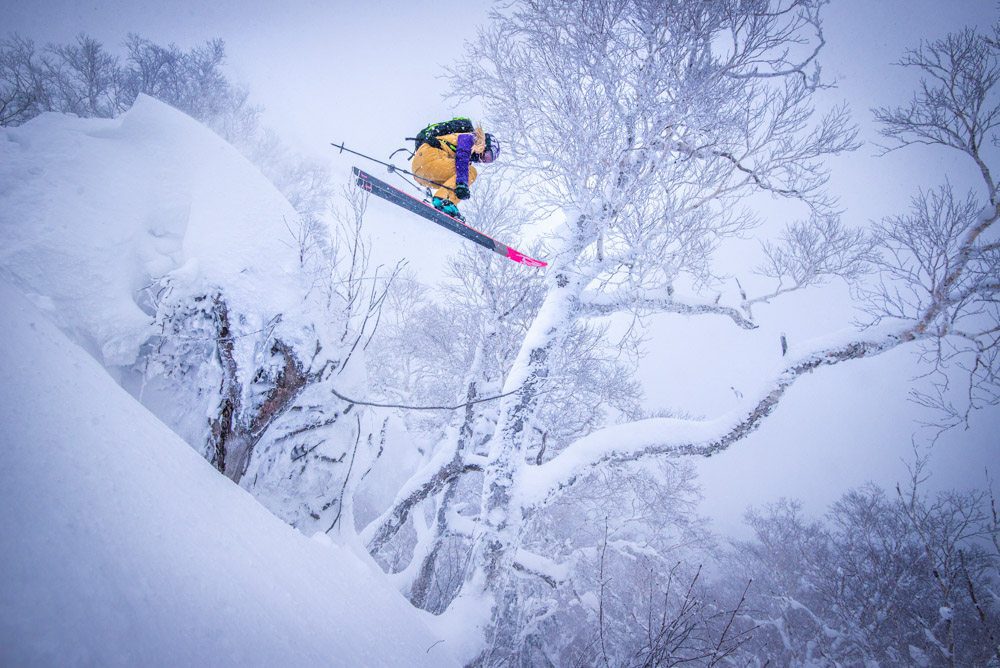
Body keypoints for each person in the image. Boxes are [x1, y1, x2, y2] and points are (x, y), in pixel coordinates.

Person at [410, 119, 501, 221]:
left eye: (488, 160)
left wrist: (461, 184)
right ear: (484, 145)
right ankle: (444, 200)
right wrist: (462, 184)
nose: (483, 160)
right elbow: (461, 157)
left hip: (421, 172)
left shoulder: (469, 152)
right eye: (487, 155)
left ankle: (445, 201)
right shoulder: (470, 138)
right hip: (430, 158)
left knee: (462, 175)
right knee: (470, 172)